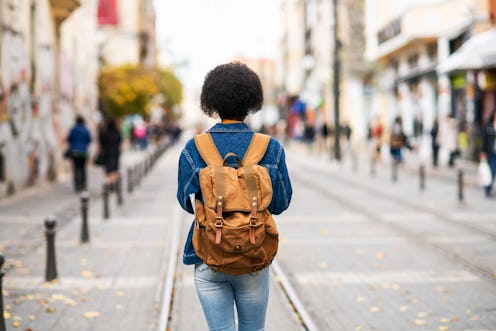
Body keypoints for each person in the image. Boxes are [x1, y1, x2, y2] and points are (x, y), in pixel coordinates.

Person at [176, 62, 292, 330]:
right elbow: (281, 203)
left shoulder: (194, 148)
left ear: (211, 102)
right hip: (253, 254)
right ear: (252, 102)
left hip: (209, 255)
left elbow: (185, 202)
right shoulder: (271, 148)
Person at [67, 115, 92, 192]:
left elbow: (69, 139)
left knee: (76, 169)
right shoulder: (85, 129)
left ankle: (77, 186)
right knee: (82, 168)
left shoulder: (73, 129)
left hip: (74, 151)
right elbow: (89, 139)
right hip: (83, 152)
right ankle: (83, 185)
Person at [98, 117, 122, 188]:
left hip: (106, 153)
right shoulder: (117, 132)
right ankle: (113, 184)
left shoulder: (104, 132)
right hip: (115, 152)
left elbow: (101, 142)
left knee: (108, 169)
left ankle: (110, 182)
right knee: (114, 169)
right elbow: (119, 141)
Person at [481, 112, 496, 197]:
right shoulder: (489, 126)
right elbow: (485, 140)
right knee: (490, 171)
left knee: (493, 172)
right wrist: (483, 152)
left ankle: (489, 187)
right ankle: (487, 188)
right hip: (491, 153)